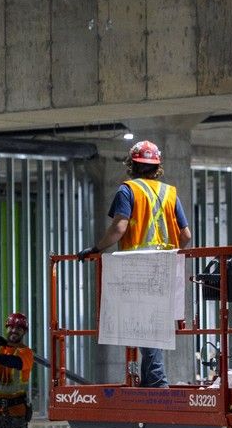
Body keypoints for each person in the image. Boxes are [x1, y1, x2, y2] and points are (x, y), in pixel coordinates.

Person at [77, 139, 193, 387]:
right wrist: (168, 255)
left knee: (143, 325)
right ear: (157, 166)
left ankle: (157, 382)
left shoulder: (127, 190)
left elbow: (119, 228)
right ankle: (152, 379)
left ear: (132, 164)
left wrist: (95, 249)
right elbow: (186, 236)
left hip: (138, 267)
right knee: (153, 325)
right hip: (167, 266)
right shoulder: (170, 192)